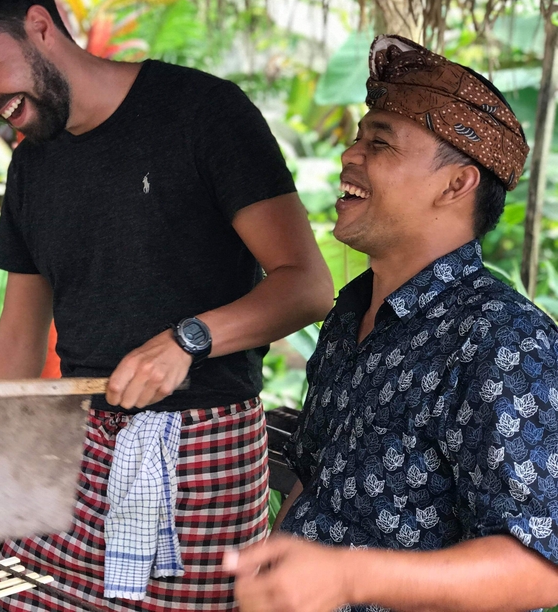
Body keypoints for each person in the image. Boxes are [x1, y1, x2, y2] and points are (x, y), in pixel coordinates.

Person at [0, 0, 334, 612]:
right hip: (72, 452)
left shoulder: (203, 113)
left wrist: (188, 340)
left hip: (202, 459)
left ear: (39, 26)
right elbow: (19, 334)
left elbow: (306, 285)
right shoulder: (32, 168)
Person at [224, 34, 558, 612]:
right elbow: (315, 481)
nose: (349, 155)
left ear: (456, 184)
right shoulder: (351, 313)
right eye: (358, 137)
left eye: (379, 142)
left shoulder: (502, 340)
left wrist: (349, 578)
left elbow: (541, 568)